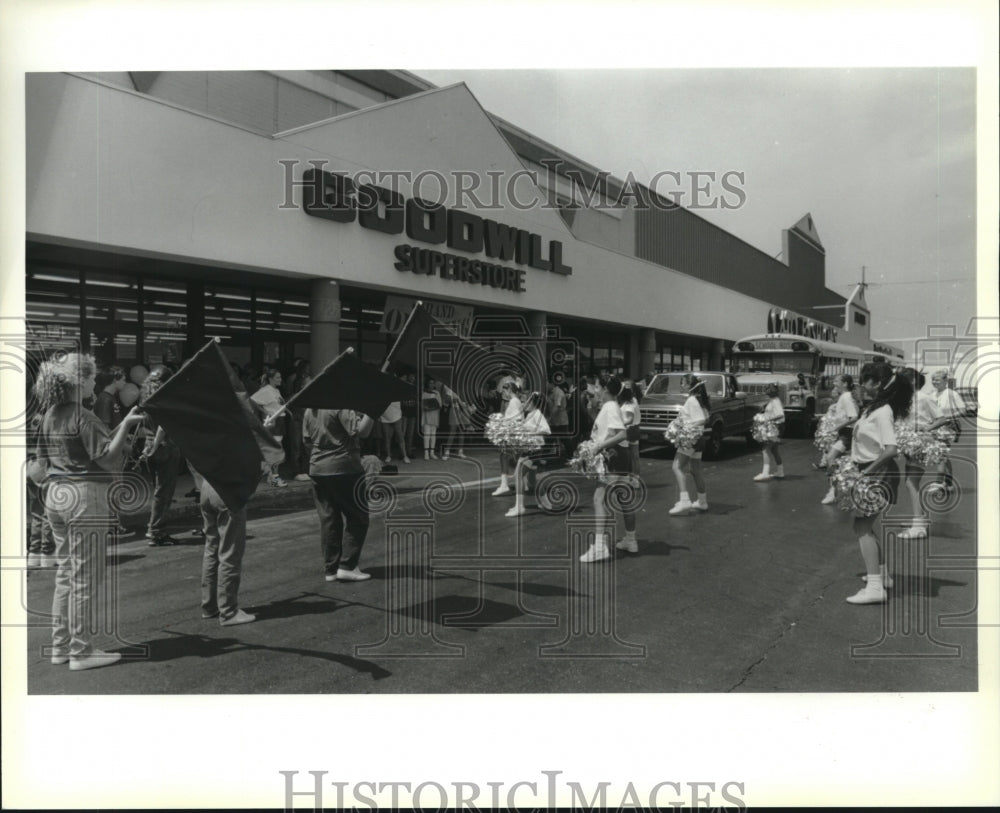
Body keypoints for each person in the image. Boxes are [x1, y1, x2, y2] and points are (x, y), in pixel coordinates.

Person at [33, 351, 145, 671]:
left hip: (56, 496)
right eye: (92, 377)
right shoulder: (84, 416)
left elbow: (40, 467)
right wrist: (126, 424)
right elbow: (108, 458)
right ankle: (81, 652)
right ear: (79, 381)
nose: (95, 381)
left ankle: (61, 646)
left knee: (66, 575)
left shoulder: (50, 414)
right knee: (84, 578)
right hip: (85, 497)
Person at [844, 362, 912, 604]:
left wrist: (866, 473)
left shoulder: (883, 412)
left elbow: (891, 449)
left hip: (878, 473)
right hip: (869, 470)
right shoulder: (871, 408)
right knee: (865, 526)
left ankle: (875, 588)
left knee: (861, 528)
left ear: (879, 384)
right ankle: (882, 576)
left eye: (867, 380)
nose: (862, 384)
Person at [303, 407, 375, 582]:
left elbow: (307, 442)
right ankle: (347, 566)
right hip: (344, 467)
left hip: (318, 467)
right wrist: (374, 411)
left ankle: (331, 569)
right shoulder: (341, 406)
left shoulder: (309, 410)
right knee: (358, 517)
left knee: (329, 518)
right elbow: (362, 432)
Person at [579, 375, 635, 562]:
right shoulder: (610, 406)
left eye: (596, 385)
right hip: (621, 456)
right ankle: (631, 539)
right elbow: (607, 429)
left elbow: (621, 434)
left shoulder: (610, 406)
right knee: (624, 499)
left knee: (598, 499)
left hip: (614, 455)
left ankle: (599, 547)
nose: (594, 389)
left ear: (604, 388)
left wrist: (598, 446)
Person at [897, 368, 951, 538]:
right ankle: (918, 518)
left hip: (919, 443)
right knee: (910, 481)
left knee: (911, 482)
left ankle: (919, 526)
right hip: (909, 443)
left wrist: (925, 429)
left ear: (912, 382)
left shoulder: (923, 397)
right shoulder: (907, 398)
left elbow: (942, 419)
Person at [197, 476, 255, 625]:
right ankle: (228, 611)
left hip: (207, 486)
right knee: (230, 552)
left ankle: (210, 606)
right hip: (227, 489)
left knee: (212, 548)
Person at [139, 368, 183, 546]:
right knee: (164, 491)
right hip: (165, 446)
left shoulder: (145, 397)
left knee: (159, 491)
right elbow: (164, 425)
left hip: (149, 445)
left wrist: (148, 447)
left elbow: (144, 425)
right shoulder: (165, 398)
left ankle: (154, 528)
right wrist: (156, 444)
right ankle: (157, 531)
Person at [505, 391, 553, 517]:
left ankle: (519, 507)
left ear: (533, 403)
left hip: (534, 449)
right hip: (532, 448)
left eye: (527, 401)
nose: (525, 403)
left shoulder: (537, 414)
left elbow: (547, 430)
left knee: (518, 474)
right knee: (532, 479)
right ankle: (545, 502)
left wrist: (530, 434)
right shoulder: (531, 414)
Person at [669, 374, 711, 515]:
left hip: (691, 439)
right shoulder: (698, 400)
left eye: (683, 383)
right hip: (698, 439)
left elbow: (701, 420)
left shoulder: (692, 400)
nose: (681, 385)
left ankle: (684, 500)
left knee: (677, 467)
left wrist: (684, 427)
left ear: (690, 385)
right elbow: (706, 417)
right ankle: (702, 501)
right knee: (695, 470)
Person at [819, 374, 860, 504]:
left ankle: (834, 491)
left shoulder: (846, 397)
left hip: (847, 434)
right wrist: (835, 407)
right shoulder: (845, 397)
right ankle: (839, 488)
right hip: (844, 433)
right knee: (837, 460)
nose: (834, 383)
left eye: (837, 381)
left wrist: (836, 427)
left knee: (831, 458)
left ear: (845, 384)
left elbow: (853, 417)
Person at [930, 369, 967, 493]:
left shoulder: (951, 394)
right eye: (933, 380)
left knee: (940, 452)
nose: (934, 382)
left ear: (945, 381)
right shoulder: (932, 394)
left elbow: (963, 410)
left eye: (937, 380)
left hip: (948, 426)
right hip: (935, 426)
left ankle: (939, 482)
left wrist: (949, 416)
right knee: (943, 454)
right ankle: (949, 482)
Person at [252, 367, 288, 487]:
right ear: (271, 379)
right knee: (275, 450)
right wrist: (265, 412)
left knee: (276, 449)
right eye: (278, 377)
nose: (280, 379)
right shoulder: (266, 390)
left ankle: (271, 476)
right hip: (273, 422)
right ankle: (274, 478)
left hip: (281, 421)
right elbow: (252, 400)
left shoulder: (275, 390)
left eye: (280, 377)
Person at [491, 376, 523, 495]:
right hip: (514, 434)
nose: (503, 393)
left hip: (513, 435)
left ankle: (505, 485)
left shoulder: (514, 402)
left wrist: (504, 428)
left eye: (505, 391)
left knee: (507, 457)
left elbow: (517, 420)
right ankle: (519, 483)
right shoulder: (514, 401)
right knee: (511, 459)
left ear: (510, 390)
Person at [286, 359, 312, 481]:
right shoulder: (294, 395)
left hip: (306, 422)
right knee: (296, 447)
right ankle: (296, 471)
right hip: (297, 421)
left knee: (306, 446)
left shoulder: (308, 397)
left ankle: (305, 470)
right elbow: (285, 404)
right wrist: (291, 415)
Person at [753, 384, 785, 481]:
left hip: (774, 428)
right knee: (774, 450)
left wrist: (767, 419)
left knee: (765, 449)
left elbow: (780, 414)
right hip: (775, 427)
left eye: (767, 391)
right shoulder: (773, 400)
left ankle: (765, 473)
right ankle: (780, 472)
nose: (766, 392)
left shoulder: (775, 401)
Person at [442, 385, 473, 460]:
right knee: (452, 432)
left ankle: (460, 452)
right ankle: (447, 452)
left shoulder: (462, 388)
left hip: (462, 411)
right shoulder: (448, 388)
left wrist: (466, 405)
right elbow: (446, 402)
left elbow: (466, 401)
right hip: (454, 411)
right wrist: (454, 399)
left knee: (462, 432)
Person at [92, 366, 126, 430]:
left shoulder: (111, 397)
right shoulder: (105, 399)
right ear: (115, 380)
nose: (125, 383)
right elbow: (104, 427)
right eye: (123, 380)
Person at [379, 397, 409, 464]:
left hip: (396, 415)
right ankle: (388, 455)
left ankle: (405, 456)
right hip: (384, 416)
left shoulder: (397, 391)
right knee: (387, 437)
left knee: (400, 436)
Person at [546, 378, 569, 458]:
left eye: (546, 383)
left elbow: (557, 407)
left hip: (560, 421)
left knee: (565, 439)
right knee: (549, 438)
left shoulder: (558, 392)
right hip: (554, 421)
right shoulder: (549, 393)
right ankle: (544, 456)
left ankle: (571, 455)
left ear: (551, 383)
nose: (545, 386)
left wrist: (549, 418)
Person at [420, 377, 442, 461]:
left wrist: (433, 405)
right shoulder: (424, 393)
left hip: (435, 416)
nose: (432, 384)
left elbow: (440, 404)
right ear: (427, 384)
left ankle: (432, 453)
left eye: (433, 383)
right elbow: (423, 405)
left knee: (433, 435)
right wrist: (428, 406)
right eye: (430, 383)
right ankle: (426, 453)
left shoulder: (437, 393)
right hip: (426, 417)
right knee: (427, 435)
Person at [399, 372, 419, 459]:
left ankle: (409, 452)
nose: (412, 378)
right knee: (403, 433)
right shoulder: (403, 386)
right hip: (404, 412)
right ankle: (402, 452)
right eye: (410, 376)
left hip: (412, 412)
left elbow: (417, 400)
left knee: (410, 434)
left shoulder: (415, 387)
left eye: (413, 377)